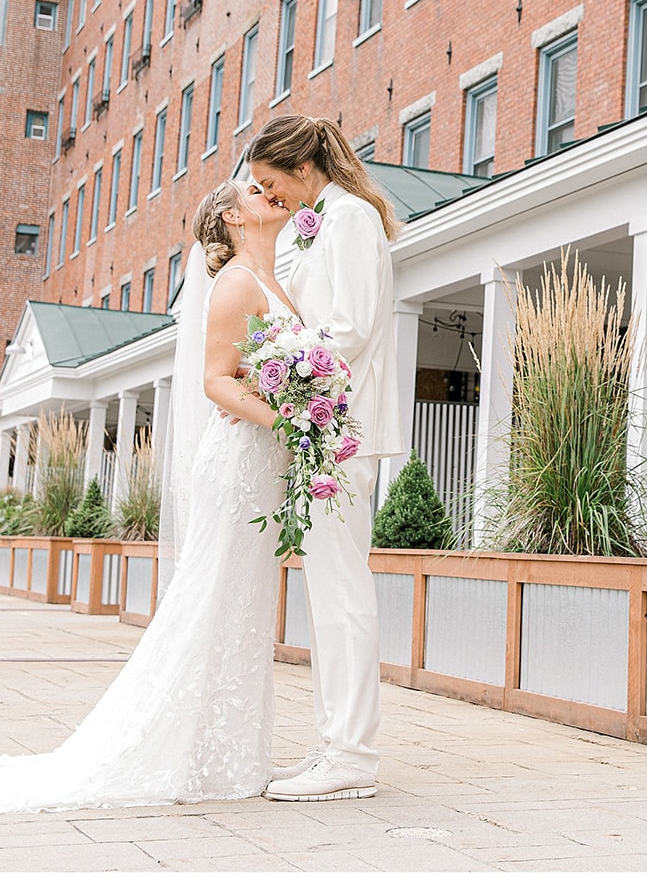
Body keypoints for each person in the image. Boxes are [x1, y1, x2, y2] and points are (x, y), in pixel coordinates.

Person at [0, 180, 299, 814]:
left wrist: (298, 404)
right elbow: (215, 382)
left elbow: (259, 370)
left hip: (260, 460)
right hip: (238, 460)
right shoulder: (237, 282)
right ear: (234, 217)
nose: (273, 193)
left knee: (246, 601)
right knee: (217, 596)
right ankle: (187, 749)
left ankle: (232, 750)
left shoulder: (273, 280)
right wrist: (292, 418)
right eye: (258, 190)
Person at [247, 114, 404, 803]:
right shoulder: (324, 219)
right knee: (328, 591)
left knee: (341, 592)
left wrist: (277, 368)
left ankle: (351, 755)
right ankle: (334, 745)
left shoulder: (348, 220)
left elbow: (350, 327)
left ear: (303, 169)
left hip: (341, 433)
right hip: (322, 429)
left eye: (269, 184)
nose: (267, 195)